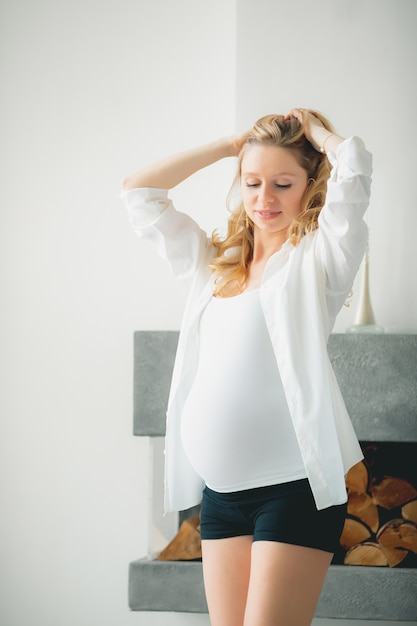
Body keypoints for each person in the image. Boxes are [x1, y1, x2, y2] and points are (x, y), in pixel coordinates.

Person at [121, 108, 373, 626]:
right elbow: (138, 192)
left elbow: (355, 166)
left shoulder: (318, 262)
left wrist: (320, 134)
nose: (265, 198)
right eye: (253, 182)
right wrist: (226, 145)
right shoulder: (211, 265)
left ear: (310, 183)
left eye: (283, 183)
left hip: (293, 491)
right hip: (221, 497)